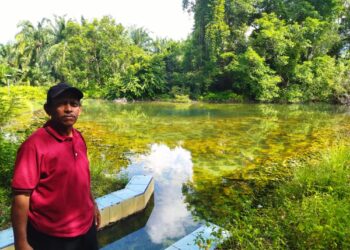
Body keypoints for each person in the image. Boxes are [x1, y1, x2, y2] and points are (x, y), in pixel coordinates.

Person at [11, 82, 101, 250]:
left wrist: (93, 204)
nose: (69, 109)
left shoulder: (79, 138)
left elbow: (82, 177)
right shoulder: (34, 145)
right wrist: (21, 242)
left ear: (79, 109)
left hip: (86, 228)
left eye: (74, 104)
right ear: (48, 109)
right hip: (52, 236)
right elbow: (21, 197)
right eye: (61, 103)